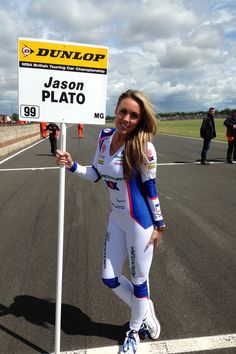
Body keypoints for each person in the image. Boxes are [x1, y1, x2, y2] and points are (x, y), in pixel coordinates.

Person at [56, 90, 165, 354]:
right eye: (123, 111)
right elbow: (95, 173)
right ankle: (145, 307)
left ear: (140, 120)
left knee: (140, 281)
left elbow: (151, 189)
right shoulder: (105, 138)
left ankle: (134, 331)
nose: (126, 118)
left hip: (140, 223)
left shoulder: (143, 147)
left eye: (134, 115)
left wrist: (159, 226)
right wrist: (72, 165)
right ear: (116, 110)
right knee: (109, 277)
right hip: (116, 219)